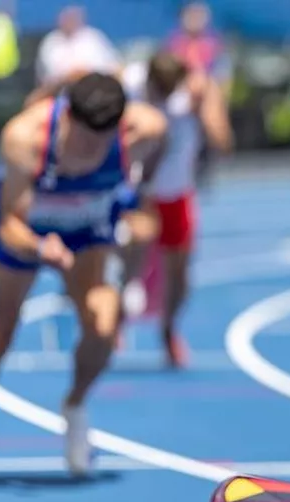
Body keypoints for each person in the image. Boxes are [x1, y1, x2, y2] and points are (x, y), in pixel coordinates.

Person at [0, 73, 168, 481]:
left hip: (88, 235)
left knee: (104, 325)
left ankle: (75, 405)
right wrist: (42, 249)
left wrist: (137, 196)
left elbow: (150, 167)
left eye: (100, 144)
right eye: (81, 141)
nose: (90, 152)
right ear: (65, 118)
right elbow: (8, 224)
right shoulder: (25, 138)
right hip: (28, 235)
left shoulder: (145, 130)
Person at [120, 50, 233, 367]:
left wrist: (205, 109)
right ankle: (117, 315)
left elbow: (223, 144)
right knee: (129, 251)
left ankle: (168, 332)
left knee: (179, 274)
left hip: (176, 191)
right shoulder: (129, 83)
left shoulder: (195, 90)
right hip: (138, 190)